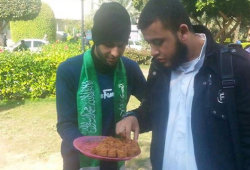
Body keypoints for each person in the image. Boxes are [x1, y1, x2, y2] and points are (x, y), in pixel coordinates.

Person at [116, 0, 250, 170]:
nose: (153, 51)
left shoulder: (235, 68)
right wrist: (133, 116)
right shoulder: (159, 68)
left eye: (158, 42)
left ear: (183, 32)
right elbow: (152, 110)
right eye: (149, 43)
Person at [56, 2, 146, 170]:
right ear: (95, 39)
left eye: (121, 45)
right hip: (77, 161)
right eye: (109, 44)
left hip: (114, 160)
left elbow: (152, 104)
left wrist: (134, 116)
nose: (115, 52)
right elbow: (65, 124)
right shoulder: (69, 70)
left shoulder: (129, 69)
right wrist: (88, 147)